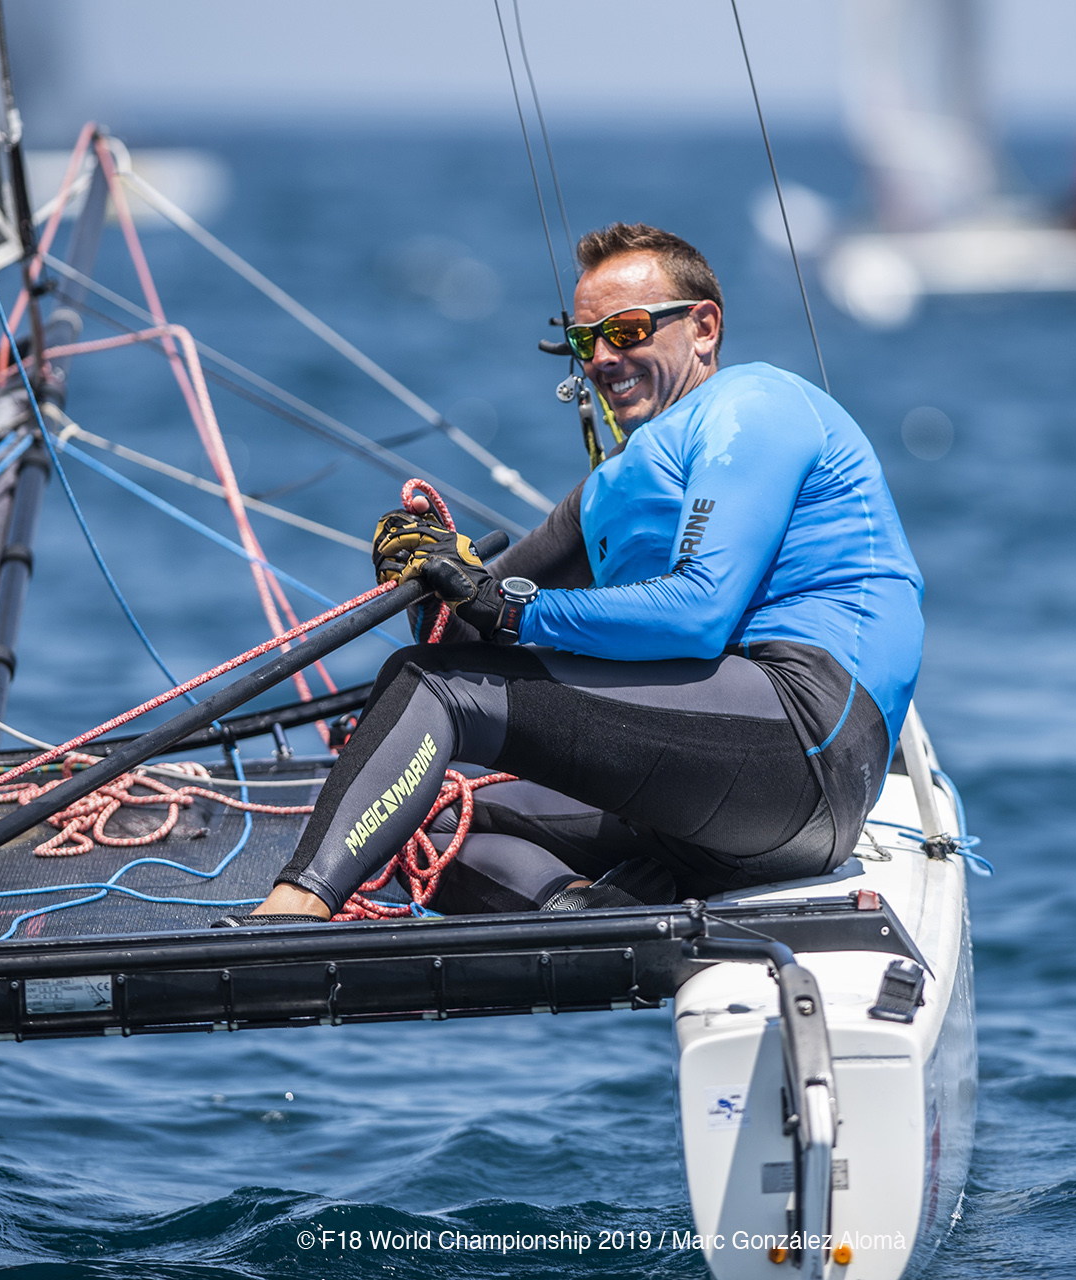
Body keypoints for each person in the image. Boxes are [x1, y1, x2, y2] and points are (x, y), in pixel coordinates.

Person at [233, 222, 923, 922]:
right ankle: (584, 913)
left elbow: (698, 611)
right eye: (583, 341)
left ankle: (288, 914)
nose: (602, 358)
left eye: (626, 331)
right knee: (422, 816)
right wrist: (428, 569)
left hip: (805, 747)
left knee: (432, 688)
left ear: (704, 327)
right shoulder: (611, 488)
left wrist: (510, 608)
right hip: (713, 801)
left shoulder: (754, 408)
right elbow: (464, 633)